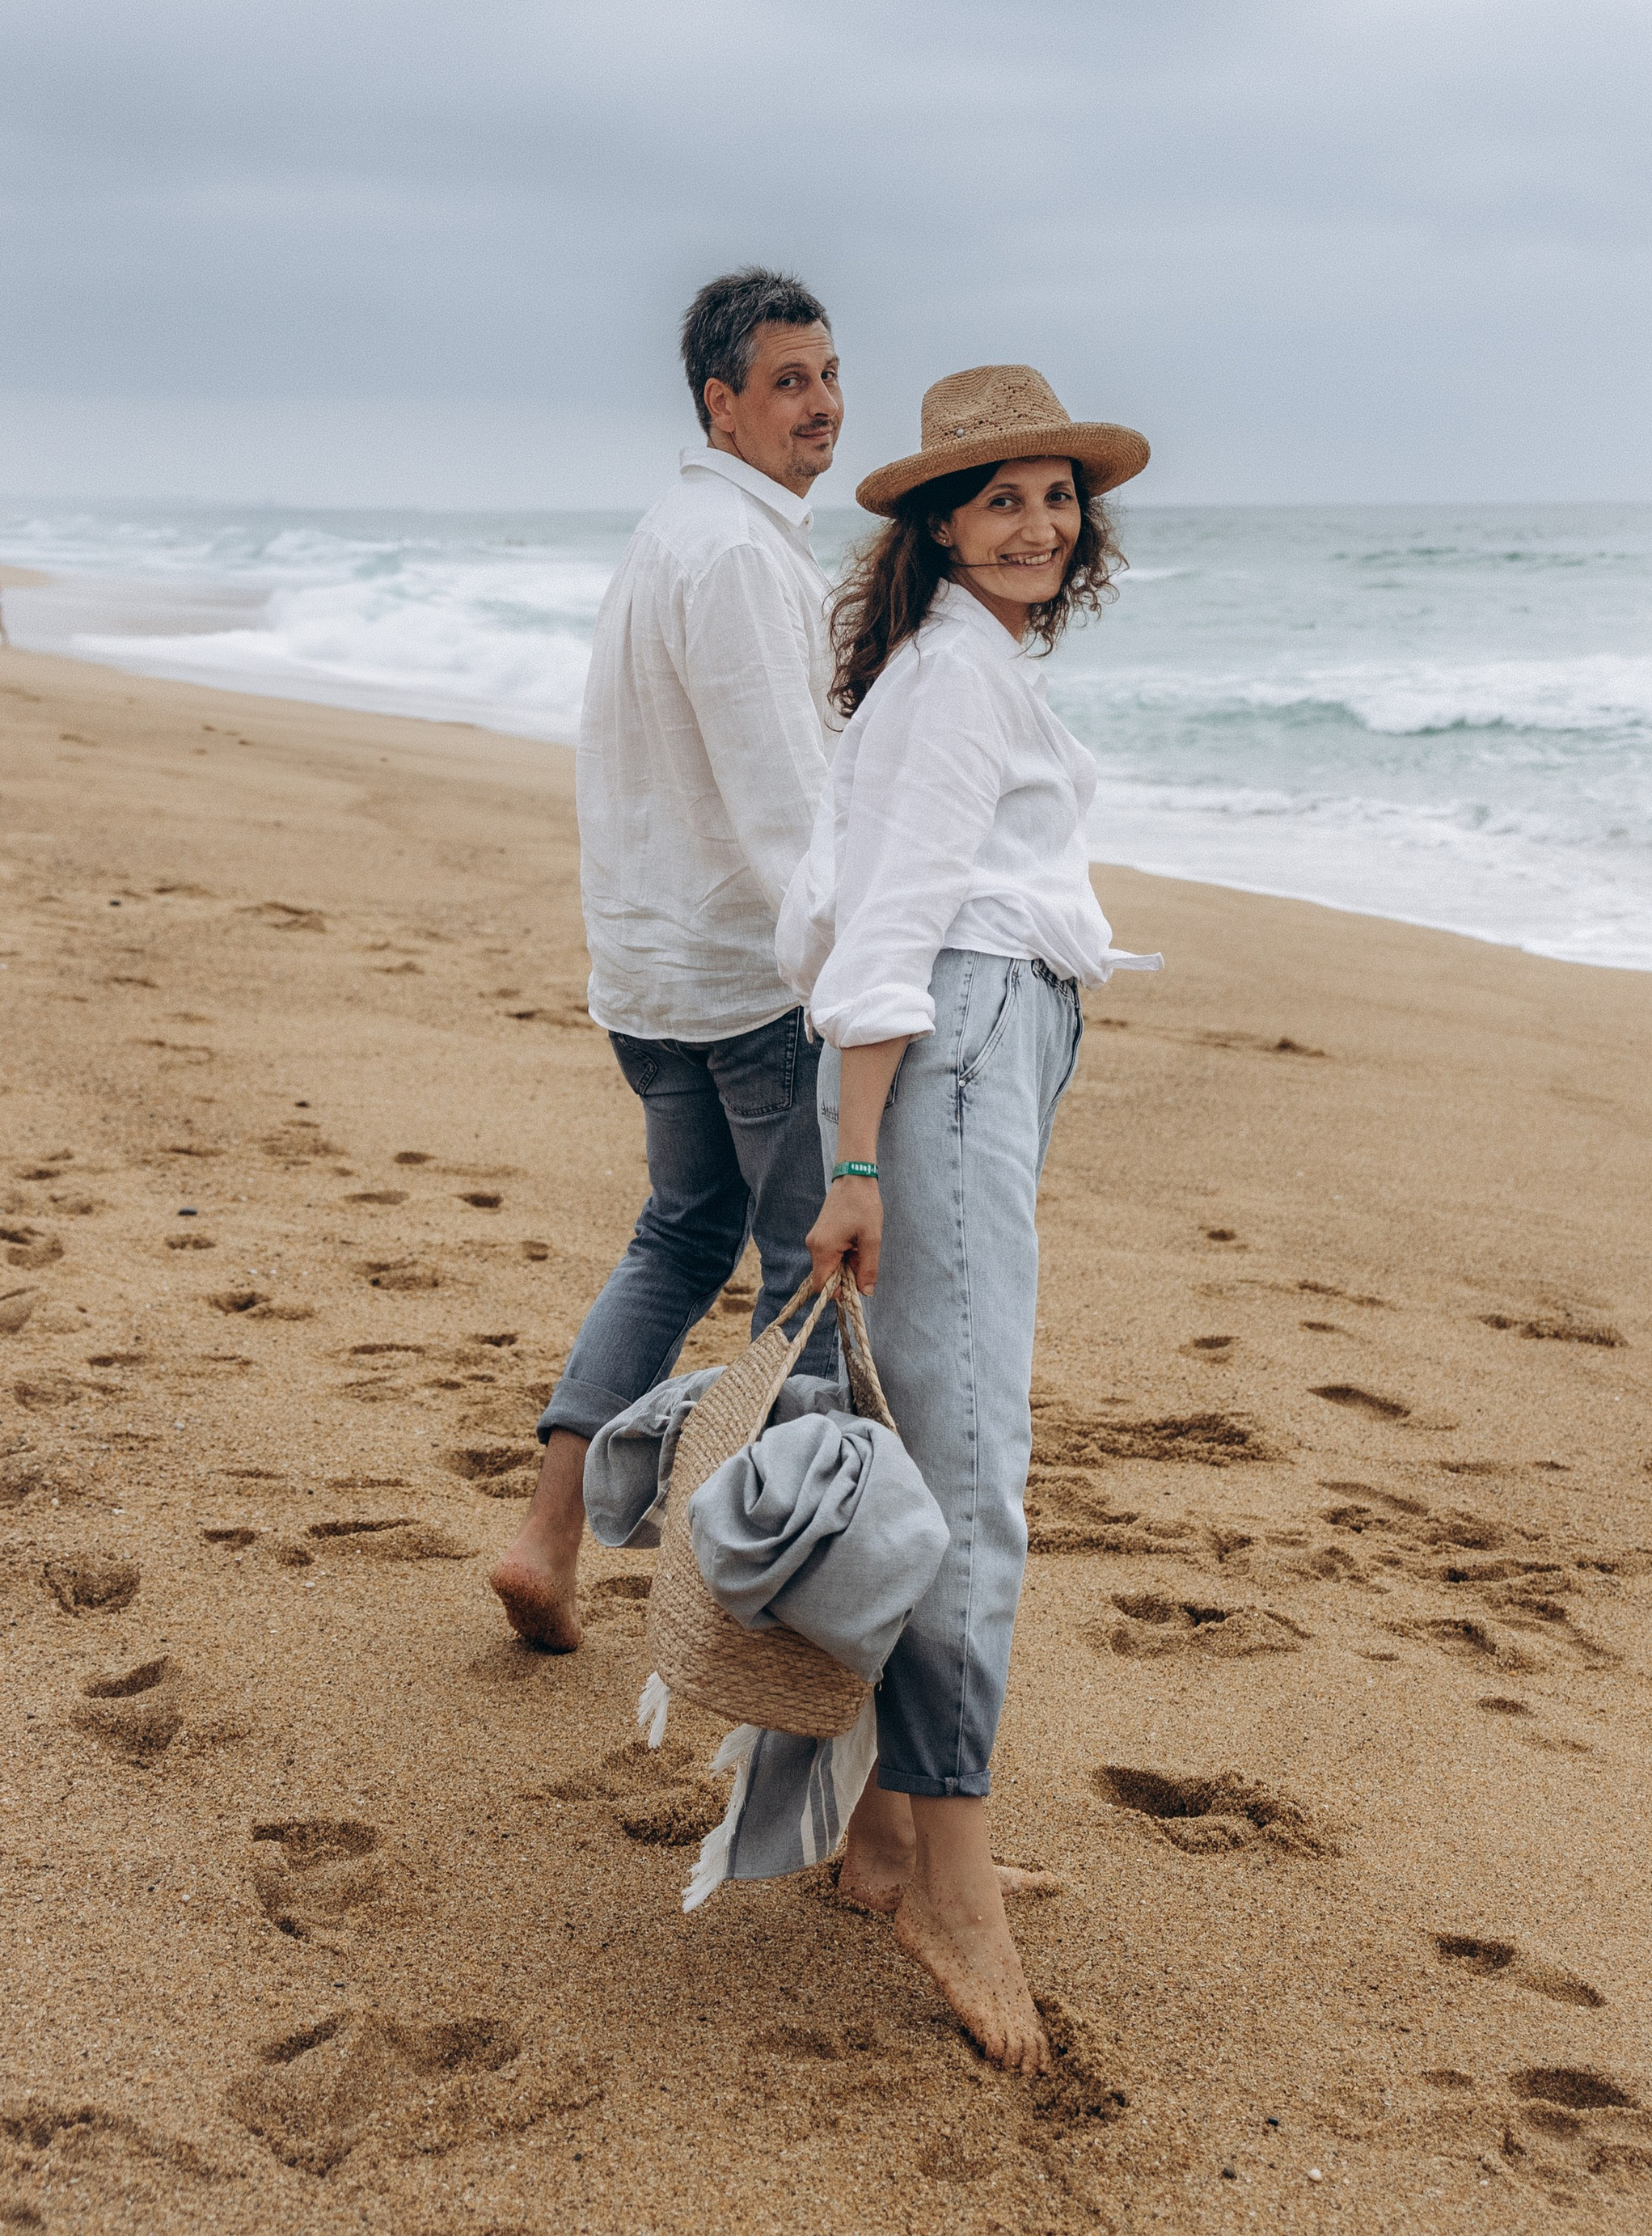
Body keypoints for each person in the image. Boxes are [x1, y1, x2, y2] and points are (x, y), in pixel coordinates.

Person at [776, 362, 1157, 2073]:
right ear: (937, 523)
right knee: (967, 1477)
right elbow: (886, 929)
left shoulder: (958, 671)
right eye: (997, 497)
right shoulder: (952, 684)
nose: (1035, 524)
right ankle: (955, 1879)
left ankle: (879, 1837)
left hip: (967, 1060)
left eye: (1055, 496)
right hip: (941, 1065)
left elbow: (849, 900)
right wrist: (855, 1164)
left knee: (919, 1443)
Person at [489, 266, 846, 1651]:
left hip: (649, 975)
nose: (820, 405)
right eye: (789, 383)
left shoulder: (672, 533)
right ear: (722, 401)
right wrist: (856, 979)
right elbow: (786, 810)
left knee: (677, 1237)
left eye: (825, 374)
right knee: (802, 1283)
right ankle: (750, 1604)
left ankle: (546, 1536)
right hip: (749, 987)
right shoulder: (744, 555)